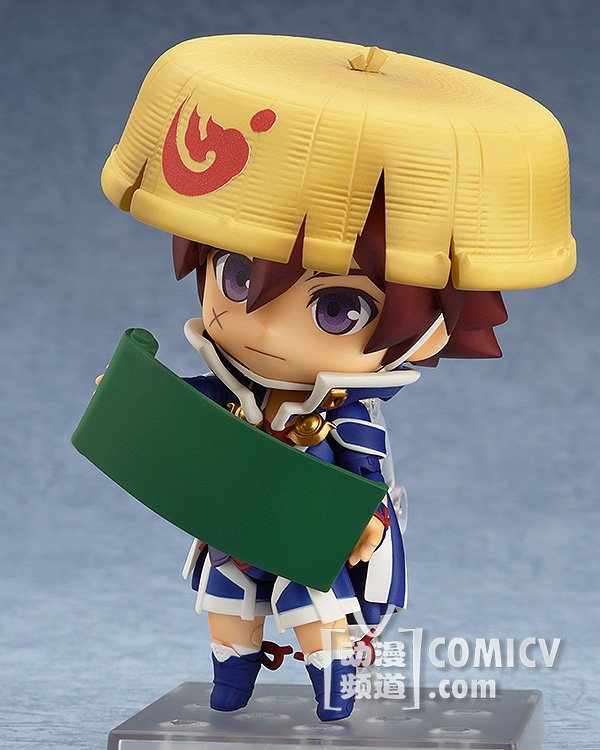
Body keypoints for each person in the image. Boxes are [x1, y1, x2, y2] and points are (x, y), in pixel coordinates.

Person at [96, 35, 575, 721]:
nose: (262, 328)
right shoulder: (233, 392)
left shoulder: (346, 416)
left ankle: (335, 693)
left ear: (433, 330)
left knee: (316, 613)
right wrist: (132, 409)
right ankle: (230, 686)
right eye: (238, 275)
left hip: (307, 538)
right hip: (231, 528)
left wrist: (367, 529)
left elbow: (365, 479)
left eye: (337, 309)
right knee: (227, 605)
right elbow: (183, 417)